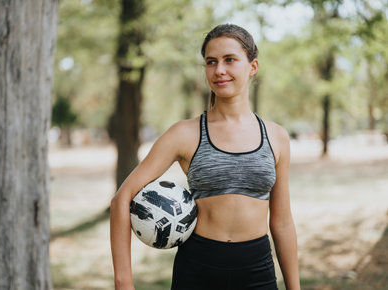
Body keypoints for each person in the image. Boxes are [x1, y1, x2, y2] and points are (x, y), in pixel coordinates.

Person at [110, 23, 300, 290]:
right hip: (198, 269)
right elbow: (122, 198)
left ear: (252, 67)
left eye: (229, 60)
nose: (219, 70)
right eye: (211, 62)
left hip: (257, 271)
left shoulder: (276, 137)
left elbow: (281, 222)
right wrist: (123, 282)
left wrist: (294, 287)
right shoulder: (184, 134)